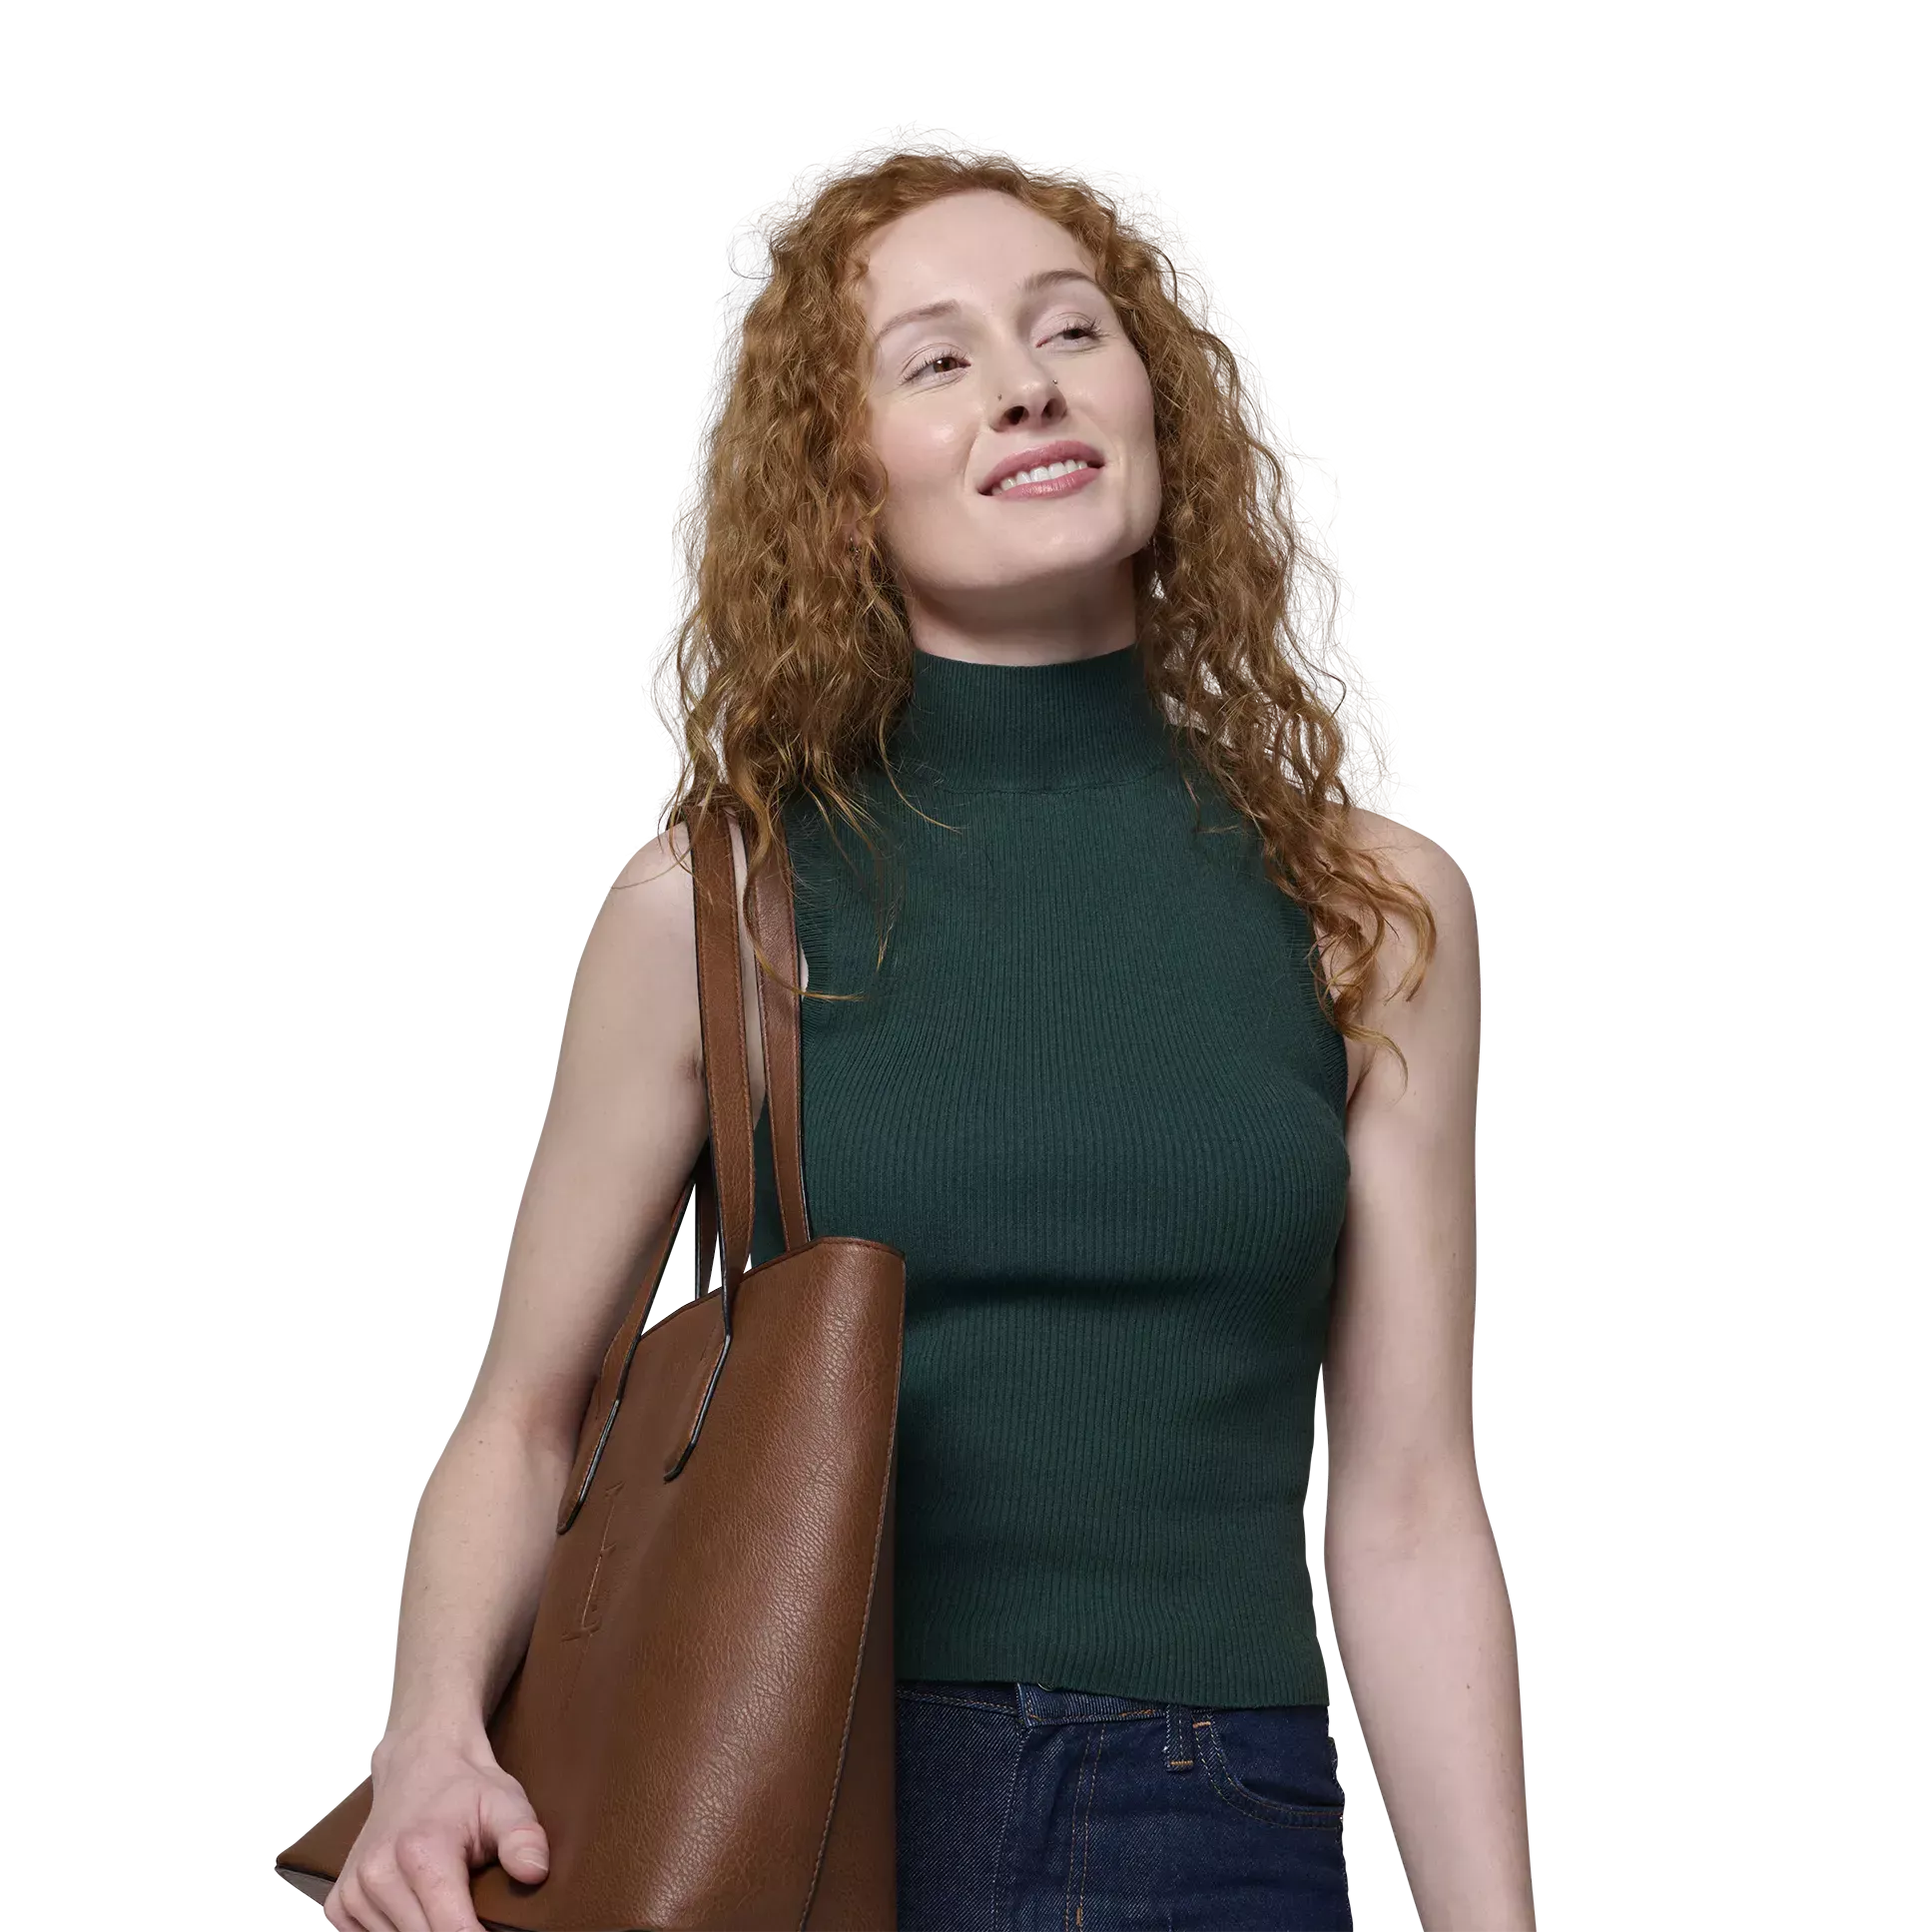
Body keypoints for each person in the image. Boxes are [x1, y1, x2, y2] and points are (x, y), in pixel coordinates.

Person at [324, 151, 1535, 1932]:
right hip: (812, 1797)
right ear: (839, 487)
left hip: (1229, 1810)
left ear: (1149, 400)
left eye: (1069, 330)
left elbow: (1413, 1496)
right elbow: (526, 1410)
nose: (1029, 381)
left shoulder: (1371, 907)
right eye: (936, 358)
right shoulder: (716, 899)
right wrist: (430, 1737)